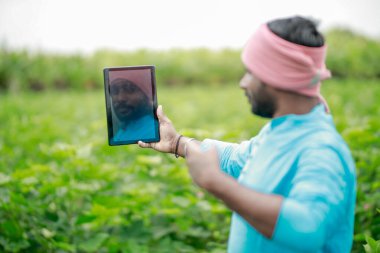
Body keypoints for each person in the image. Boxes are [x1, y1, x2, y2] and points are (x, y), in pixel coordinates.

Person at [138, 16, 356, 253]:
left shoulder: (321, 149)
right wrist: (177, 142)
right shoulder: (282, 130)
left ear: (277, 77)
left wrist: (217, 184)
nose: (243, 83)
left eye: (250, 73)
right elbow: (236, 159)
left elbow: (309, 228)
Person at [110, 78, 156, 143]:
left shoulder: (153, 132)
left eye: (130, 90)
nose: (120, 98)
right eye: (115, 91)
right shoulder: (123, 131)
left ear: (147, 96)